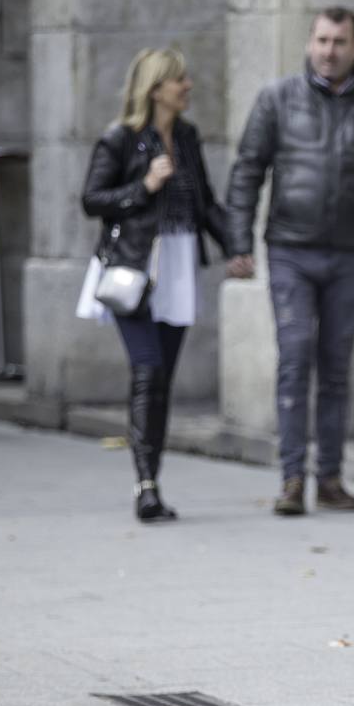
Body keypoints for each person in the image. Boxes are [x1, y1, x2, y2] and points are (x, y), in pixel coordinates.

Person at [226, 6, 354, 517]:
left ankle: (329, 478)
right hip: (290, 249)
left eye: (339, 41)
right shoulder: (277, 99)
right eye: (321, 40)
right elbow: (248, 168)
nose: (329, 50)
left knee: (335, 367)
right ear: (309, 43)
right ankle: (292, 479)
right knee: (295, 359)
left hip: (349, 253)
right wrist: (238, 240)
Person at [79, 48, 251, 522]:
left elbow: (207, 204)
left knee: (163, 382)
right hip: (133, 269)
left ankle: (153, 478)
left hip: (176, 264)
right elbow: (92, 200)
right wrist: (145, 187)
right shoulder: (120, 139)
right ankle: (145, 486)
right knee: (147, 370)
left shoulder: (188, 137)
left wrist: (236, 247)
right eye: (180, 80)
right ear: (156, 89)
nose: (188, 86)